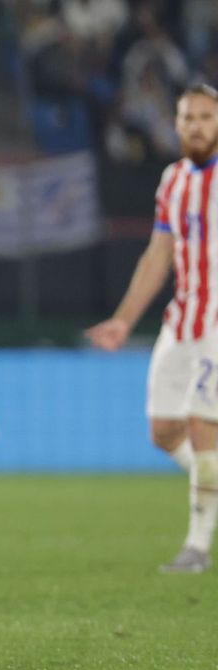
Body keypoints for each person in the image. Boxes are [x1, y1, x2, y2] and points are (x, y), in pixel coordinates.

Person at [87, 83, 218, 573]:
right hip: (182, 318)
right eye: (188, 117)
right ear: (177, 123)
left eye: (206, 116)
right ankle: (211, 487)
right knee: (164, 431)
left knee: (205, 426)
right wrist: (124, 320)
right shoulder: (173, 180)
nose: (197, 125)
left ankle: (198, 548)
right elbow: (158, 254)